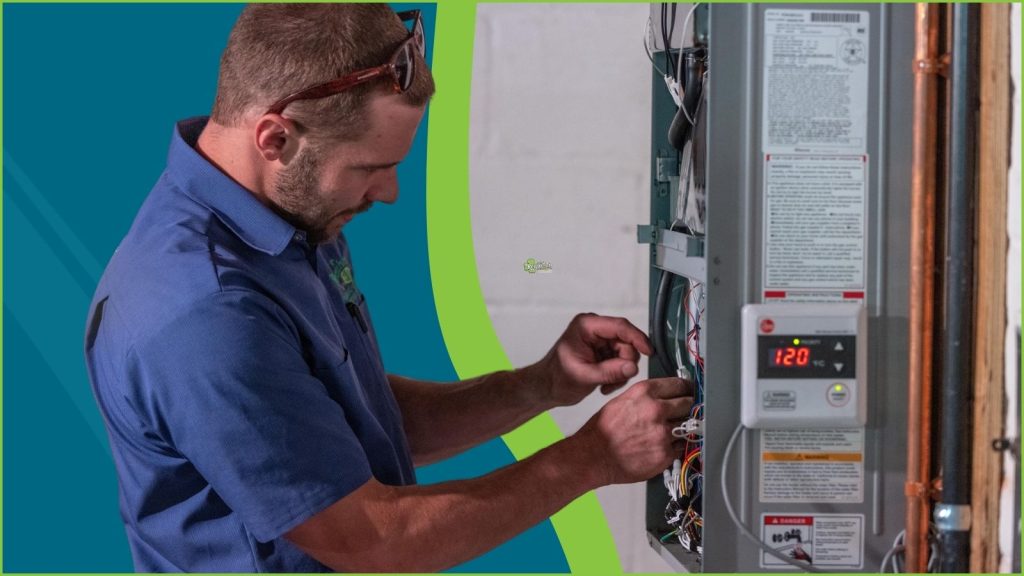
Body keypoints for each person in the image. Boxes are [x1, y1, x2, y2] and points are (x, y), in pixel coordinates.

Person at [84, 4, 693, 572]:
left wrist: (539, 385)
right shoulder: (204, 313)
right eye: (370, 168)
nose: (390, 192)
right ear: (275, 138)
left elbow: (356, 422)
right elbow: (372, 540)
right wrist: (591, 458)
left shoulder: (289, 215)